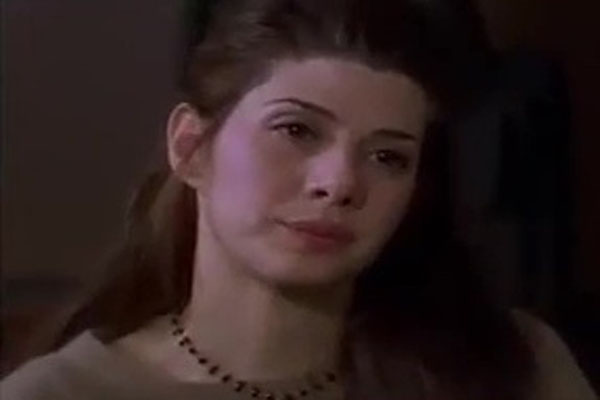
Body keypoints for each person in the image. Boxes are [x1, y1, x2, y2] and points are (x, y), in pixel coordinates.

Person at [2, 0, 597, 399]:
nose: (339, 183)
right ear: (191, 147)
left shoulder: (517, 367)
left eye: (387, 157)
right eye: (296, 130)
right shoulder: (62, 394)